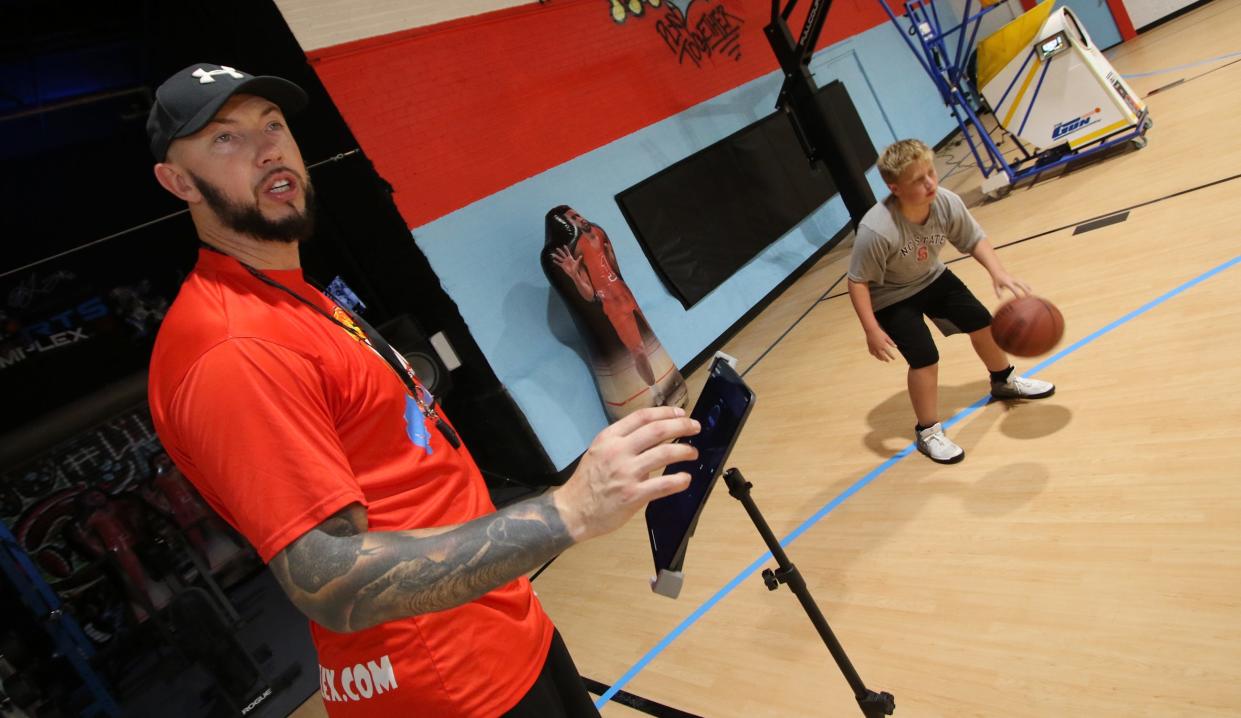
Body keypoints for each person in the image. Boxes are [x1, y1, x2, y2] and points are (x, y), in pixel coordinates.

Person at [144, 63, 700, 717]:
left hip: (497, 634)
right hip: (446, 687)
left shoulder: (286, 294)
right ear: (177, 181)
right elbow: (328, 578)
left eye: (272, 124)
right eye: (225, 139)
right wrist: (567, 511)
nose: (267, 148)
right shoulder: (231, 346)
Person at [846, 139, 1055, 464]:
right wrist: (871, 329)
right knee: (925, 358)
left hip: (931, 276)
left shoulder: (945, 202)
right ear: (895, 188)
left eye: (930, 173)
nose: (930, 183)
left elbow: (974, 238)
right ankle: (928, 432)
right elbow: (857, 281)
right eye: (918, 179)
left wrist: (997, 272)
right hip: (890, 296)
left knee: (983, 322)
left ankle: (1003, 381)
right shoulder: (877, 229)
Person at [550, 207, 666, 406]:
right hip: (610, 303)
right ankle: (654, 391)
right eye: (574, 218)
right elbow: (588, 295)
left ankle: (662, 384)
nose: (580, 218)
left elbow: (615, 270)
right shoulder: (577, 249)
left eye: (579, 214)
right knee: (637, 350)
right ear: (570, 226)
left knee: (648, 342)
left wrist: (611, 256)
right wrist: (574, 275)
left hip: (624, 293)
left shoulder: (599, 233)